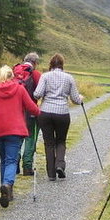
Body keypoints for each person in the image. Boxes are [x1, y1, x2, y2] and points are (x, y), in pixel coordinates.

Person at [0, 65, 40, 207]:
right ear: (12, 77)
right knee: (11, 160)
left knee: (4, 159)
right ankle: (7, 184)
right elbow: (31, 107)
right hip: (14, 130)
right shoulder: (20, 89)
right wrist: (39, 113)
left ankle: (7, 191)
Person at [33, 53, 84, 181]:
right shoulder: (69, 78)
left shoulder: (45, 76)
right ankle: (60, 165)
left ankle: (51, 174)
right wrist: (81, 98)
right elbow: (76, 100)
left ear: (51, 64)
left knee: (48, 143)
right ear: (62, 64)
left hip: (45, 112)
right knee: (61, 141)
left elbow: (37, 94)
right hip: (62, 112)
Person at [14, 52, 42, 176]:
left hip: (15, 111)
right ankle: (27, 166)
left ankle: (14, 165)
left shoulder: (14, 71)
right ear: (35, 63)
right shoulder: (35, 74)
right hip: (30, 111)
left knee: (17, 138)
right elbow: (40, 93)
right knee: (30, 138)